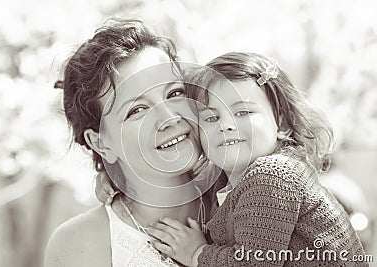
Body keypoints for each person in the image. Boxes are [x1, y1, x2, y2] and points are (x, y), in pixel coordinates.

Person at [146, 52, 367, 266]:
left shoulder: (274, 173)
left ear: (280, 123)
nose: (226, 125)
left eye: (243, 113)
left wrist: (197, 253)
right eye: (212, 118)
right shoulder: (222, 182)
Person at [44, 18, 217, 267]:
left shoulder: (247, 199)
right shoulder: (79, 245)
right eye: (137, 110)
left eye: (174, 93)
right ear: (101, 142)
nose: (169, 118)